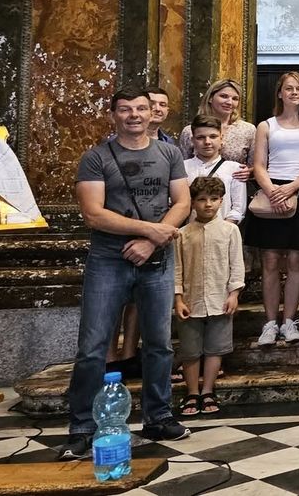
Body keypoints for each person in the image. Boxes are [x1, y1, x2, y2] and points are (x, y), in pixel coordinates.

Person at [59, 90, 192, 460]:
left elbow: (183, 202)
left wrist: (151, 242)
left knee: (160, 344)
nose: (134, 115)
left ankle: (158, 416)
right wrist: (149, 230)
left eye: (141, 109)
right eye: (125, 109)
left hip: (156, 260)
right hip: (109, 259)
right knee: (93, 347)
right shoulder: (96, 157)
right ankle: (83, 427)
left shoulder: (169, 153)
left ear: (152, 114)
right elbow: (93, 213)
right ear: (113, 115)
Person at [248, 72, 299, 347]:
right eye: (288, 88)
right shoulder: (266, 125)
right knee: (270, 260)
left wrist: (291, 188)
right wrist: (273, 191)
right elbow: (259, 165)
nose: (294, 92)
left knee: (296, 260)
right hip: (271, 190)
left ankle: (289, 321)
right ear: (279, 93)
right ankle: (270, 323)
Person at [173, 177, 244, 417]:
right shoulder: (182, 234)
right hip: (190, 301)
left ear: (222, 201)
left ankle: (207, 391)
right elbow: (177, 269)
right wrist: (178, 298)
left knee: (215, 348)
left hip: (220, 299)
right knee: (190, 350)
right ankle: (192, 392)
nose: (208, 204)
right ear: (192, 202)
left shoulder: (230, 231)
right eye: (202, 199)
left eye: (214, 199)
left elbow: (236, 265)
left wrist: (234, 294)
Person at [179, 79, 254, 173]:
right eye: (224, 96)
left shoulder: (247, 130)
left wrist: (248, 172)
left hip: (234, 180)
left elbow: (256, 166)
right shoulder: (189, 131)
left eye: (235, 99)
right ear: (210, 98)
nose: (229, 102)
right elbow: (181, 166)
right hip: (197, 180)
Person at [185, 115, 246, 223]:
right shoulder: (182, 167)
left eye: (213, 136)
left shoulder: (235, 169)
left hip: (224, 229)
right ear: (193, 140)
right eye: (200, 137)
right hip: (189, 230)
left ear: (221, 138)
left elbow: (238, 209)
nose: (207, 142)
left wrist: (221, 229)